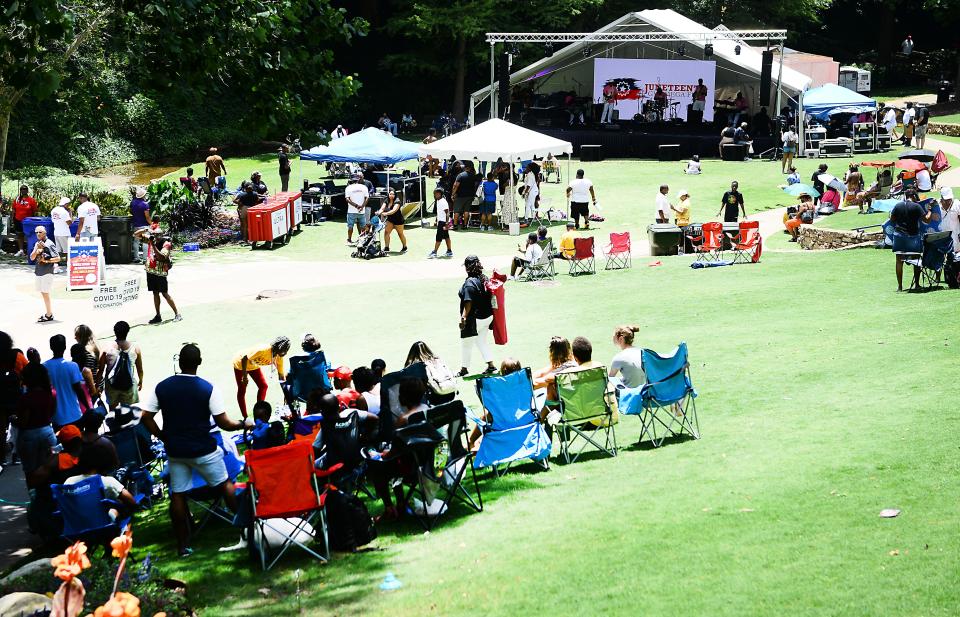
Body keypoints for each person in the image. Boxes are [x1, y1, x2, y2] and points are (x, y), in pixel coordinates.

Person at [140, 343, 252, 556]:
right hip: (203, 449)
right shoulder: (207, 388)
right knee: (224, 484)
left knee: (178, 495)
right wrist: (243, 423)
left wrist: (162, 435)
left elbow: (146, 416)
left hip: (176, 451)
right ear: (199, 363)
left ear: (179, 362)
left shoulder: (162, 387)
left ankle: (182, 546)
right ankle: (248, 529)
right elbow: (224, 423)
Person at [12, 355, 57, 475]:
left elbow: (24, 422)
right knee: (49, 469)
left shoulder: (26, 398)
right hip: (48, 432)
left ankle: (34, 493)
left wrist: (13, 420)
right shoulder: (51, 394)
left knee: (31, 472)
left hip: (29, 436)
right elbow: (52, 413)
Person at [458, 255, 497, 376]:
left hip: (476, 319)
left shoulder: (470, 283)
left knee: (466, 344)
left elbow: (468, 301)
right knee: (481, 341)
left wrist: (463, 318)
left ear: (467, 267)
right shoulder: (484, 278)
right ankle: (491, 366)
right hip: (488, 317)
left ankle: (464, 370)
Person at [233, 336, 291, 418]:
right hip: (240, 365)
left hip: (254, 366)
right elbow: (244, 358)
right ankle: (245, 417)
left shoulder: (278, 357)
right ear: (279, 347)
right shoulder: (263, 350)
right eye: (285, 350)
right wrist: (245, 377)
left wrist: (286, 392)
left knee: (263, 386)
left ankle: (258, 412)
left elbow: (281, 376)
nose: (286, 353)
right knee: (242, 389)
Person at [134, 226, 181, 323]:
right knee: (155, 292)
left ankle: (177, 314)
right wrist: (146, 230)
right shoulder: (151, 239)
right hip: (151, 271)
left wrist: (153, 245)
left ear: (162, 235)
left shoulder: (166, 244)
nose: (157, 237)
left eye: (158, 235)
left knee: (164, 293)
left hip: (161, 272)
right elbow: (135, 235)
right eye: (155, 235)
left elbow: (162, 256)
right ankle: (158, 315)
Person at [890, 192, 933, 291]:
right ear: (913, 196)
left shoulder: (898, 205)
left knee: (899, 261)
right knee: (916, 260)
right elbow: (926, 220)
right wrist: (930, 210)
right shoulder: (916, 206)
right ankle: (916, 284)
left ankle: (900, 287)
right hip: (912, 236)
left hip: (899, 235)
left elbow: (892, 219)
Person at [98, 321, 143, 409]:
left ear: (115, 332)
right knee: (126, 412)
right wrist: (141, 381)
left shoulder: (106, 348)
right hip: (128, 384)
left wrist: (97, 386)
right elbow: (140, 369)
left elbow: (101, 370)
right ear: (127, 332)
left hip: (111, 385)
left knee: (112, 411)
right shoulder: (135, 348)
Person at [43, 334, 85, 429]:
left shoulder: (44, 367)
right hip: (75, 415)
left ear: (51, 347)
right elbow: (78, 389)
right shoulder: (72, 366)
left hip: (56, 418)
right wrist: (88, 407)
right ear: (65, 347)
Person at [0, 332, 27, 468]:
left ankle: (2, 458)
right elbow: (28, 372)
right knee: (18, 428)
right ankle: (17, 455)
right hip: (15, 397)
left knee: (1, 429)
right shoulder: (17, 356)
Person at [533, 336, 578, 404]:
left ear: (552, 353)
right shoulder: (574, 363)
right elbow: (542, 373)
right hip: (576, 400)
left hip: (565, 405)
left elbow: (535, 384)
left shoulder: (559, 373)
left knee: (550, 387)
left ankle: (543, 414)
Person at [30, 227, 59, 323]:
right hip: (39, 272)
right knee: (43, 292)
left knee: (45, 293)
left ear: (45, 233)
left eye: (40, 232)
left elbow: (58, 258)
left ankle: (49, 314)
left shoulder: (49, 244)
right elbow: (32, 257)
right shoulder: (37, 243)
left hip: (47, 272)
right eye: (36, 232)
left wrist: (46, 260)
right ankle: (48, 313)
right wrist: (37, 249)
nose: (38, 233)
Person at [376, 188, 408, 254]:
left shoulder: (397, 201)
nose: (391, 195)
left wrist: (386, 213)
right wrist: (379, 212)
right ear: (388, 194)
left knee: (400, 234)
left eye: (393, 194)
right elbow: (382, 208)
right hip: (390, 220)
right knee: (386, 232)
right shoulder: (386, 200)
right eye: (390, 194)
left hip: (398, 220)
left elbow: (393, 210)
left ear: (395, 195)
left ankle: (405, 247)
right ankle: (386, 247)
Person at [70, 344, 99, 414]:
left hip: (73, 406)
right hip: (86, 405)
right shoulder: (86, 371)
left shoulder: (69, 368)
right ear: (84, 355)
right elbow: (93, 392)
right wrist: (97, 390)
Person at [450, 160, 479, 230]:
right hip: (469, 196)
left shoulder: (460, 175)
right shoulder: (473, 176)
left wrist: (453, 194)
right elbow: (475, 186)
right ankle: (465, 225)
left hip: (460, 196)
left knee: (456, 211)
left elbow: (455, 186)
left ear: (465, 167)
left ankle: (455, 225)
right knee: (466, 211)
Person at [11, 185, 38, 257]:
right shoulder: (17, 199)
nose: (23, 190)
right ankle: (21, 250)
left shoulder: (31, 200)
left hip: (28, 221)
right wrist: (12, 219)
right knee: (20, 235)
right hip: (18, 219)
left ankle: (30, 250)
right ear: (20, 191)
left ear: (27, 190)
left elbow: (35, 211)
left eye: (25, 189)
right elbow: (13, 210)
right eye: (22, 189)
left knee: (29, 235)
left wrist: (34, 220)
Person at [428, 187, 453, 259]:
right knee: (446, 236)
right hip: (441, 222)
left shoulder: (443, 202)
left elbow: (447, 213)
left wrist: (447, 223)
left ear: (440, 194)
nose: (434, 195)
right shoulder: (438, 201)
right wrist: (436, 220)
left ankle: (434, 252)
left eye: (436, 194)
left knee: (438, 237)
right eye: (434, 194)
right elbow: (439, 213)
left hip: (443, 223)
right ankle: (449, 251)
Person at [49, 197, 73, 271]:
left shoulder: (54, 210)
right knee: (67, 251)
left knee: (58, 251)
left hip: (56, 232)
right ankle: (69, 266)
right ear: (66, 204)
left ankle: (56, 266)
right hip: (64, 233)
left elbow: (53, 221)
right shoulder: (64, 212)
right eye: (68, 204)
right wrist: (70, 214)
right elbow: (69, 223)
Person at [344, 175, 369, 245]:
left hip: (351, 211)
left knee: (350, 226)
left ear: (351, 180)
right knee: (363, 226)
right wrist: (362, 206)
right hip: (362, 211)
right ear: (358, 180)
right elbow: (367, 198)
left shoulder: (348, 188)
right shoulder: (364, 187)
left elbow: (347, 199)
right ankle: (362, 240)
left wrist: (356, 206)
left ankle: (349, 240)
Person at [130, 187, 151, 263]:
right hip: (144, 225)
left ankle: (136, 257)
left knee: (136, 241)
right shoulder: (145, 204)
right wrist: (151, 224)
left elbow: (131, 212)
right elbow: (147, 217)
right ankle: (145, 259)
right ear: (143, 195)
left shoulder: (133, 202)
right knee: (145, 242)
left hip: (136, 225)